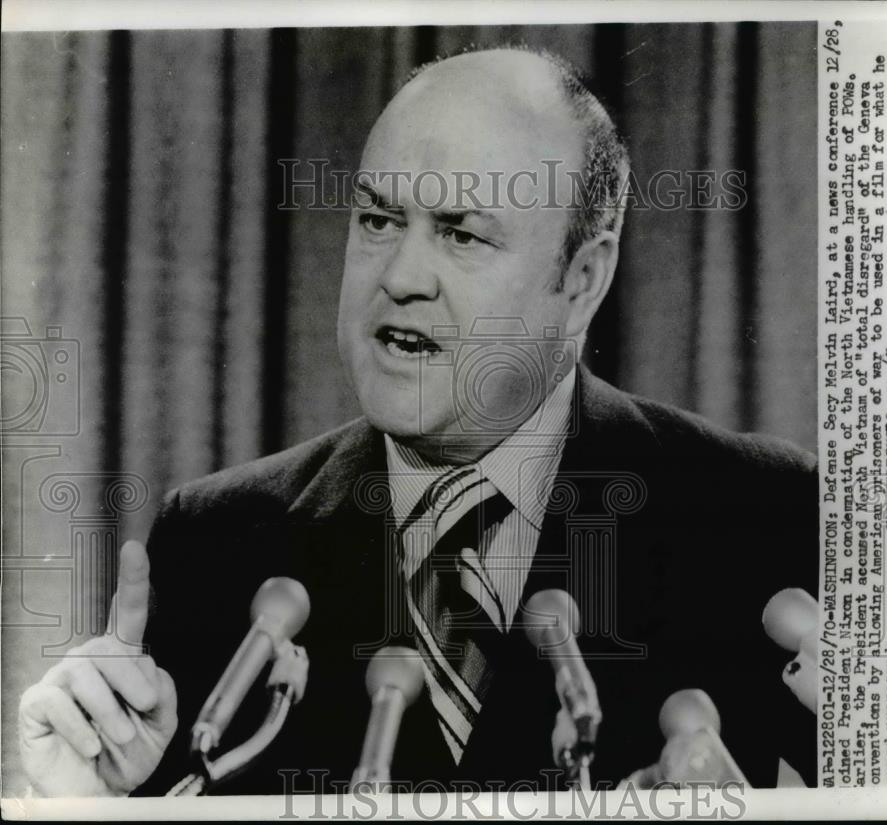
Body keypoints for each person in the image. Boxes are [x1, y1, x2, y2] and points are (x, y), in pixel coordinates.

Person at [18, 46, 818, 797]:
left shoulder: (764, 516)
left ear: (582, 280)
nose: (399, 276)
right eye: (377, 220)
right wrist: (93, 808)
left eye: (462, 233)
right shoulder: (216, 541)